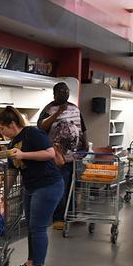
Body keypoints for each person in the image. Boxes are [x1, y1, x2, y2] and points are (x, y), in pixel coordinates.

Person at [0, 106, 64, 266]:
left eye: (2, 128)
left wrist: (24, 154)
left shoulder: (32, 133)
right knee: (32, 226)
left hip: (48, 185)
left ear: (12, 124)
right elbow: (12, 172)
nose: (1, 132)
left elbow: (49, 153)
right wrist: (4, 195)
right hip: (31, 187)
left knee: (38, 227)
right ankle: (30, 262)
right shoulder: (11, 145)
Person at [37, 82, 87, 230]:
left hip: (75, 155)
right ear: (54, 93)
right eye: (61, 90)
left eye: (66, 90)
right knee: (61, 187)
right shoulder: (48, 109)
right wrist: (58, 113)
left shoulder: (75, 108)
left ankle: (72, 215)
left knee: (74, 186)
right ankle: (59, 218)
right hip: (57, 157)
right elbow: (42, 126)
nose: (64, 93)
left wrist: (85, 143)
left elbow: (82, 127)